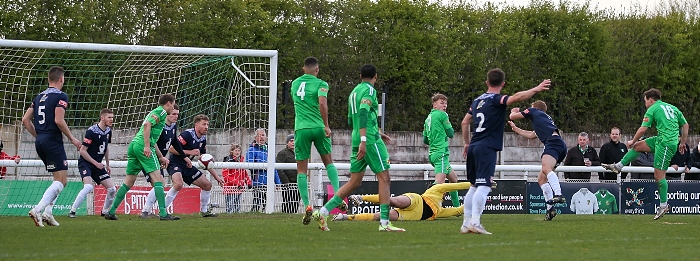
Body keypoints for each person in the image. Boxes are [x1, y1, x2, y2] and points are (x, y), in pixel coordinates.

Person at [312, 64, 405, 232]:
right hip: (368, 141)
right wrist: (366, 138)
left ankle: (323, 212)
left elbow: (351, 119)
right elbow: (363, 113)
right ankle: (385, 223)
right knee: (385, 178)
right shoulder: (369, 91)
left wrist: (371, 133)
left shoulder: (353, 92)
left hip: (357, 139)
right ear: (375, 76)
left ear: (360, 76)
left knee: (354, 182)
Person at [460, 68, 550, 234]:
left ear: (487, 82)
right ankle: (475, 222)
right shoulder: (496, 99)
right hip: (487, 147)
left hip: (473, 146)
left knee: (473, 186)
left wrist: (466, 143)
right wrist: (536, 89)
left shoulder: (477, 100)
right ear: (503, 83)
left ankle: (466, 224)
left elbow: (465, 122)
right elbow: (516, 98)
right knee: (484, 185)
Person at [603, 88, 689, 220]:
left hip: (666, 143)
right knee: (638, 147)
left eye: (645, 101)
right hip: (661, 139)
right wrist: (682, 142)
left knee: (658, 176)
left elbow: (643, 129)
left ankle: (663, 205)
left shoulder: (653, 108)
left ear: (651, 100)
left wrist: (632, 140)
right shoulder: (672, 107)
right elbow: (686, 125)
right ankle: (619, 166)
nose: (645, 104)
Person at [22, 66, 82, 227]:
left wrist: (39, 136)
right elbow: (58, 120)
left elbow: (25, 120)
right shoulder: (61, 96)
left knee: (61, 180)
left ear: (49, 79)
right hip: (53, 141)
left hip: (41, 141)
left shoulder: (39, 96)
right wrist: (73, 139)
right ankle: (38, 210)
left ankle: (48, 213)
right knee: (60, 181)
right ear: (61, 79)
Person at [104, 94, 179, 221]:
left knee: (128, 182)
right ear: (168, 103)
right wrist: (146, 146)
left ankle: (111, 212)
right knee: (159, 180)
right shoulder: (161, 112)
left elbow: (150, 136)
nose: (173, 107)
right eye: (172, 104)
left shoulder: (155, 112)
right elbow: (147, 125)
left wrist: (160, 155)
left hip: (134, 145)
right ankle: (163, 214)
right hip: (141, 146)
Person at [290, 57, 345, 224]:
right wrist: (326, 125)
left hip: (301, 128)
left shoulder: (294, 84)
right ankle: (338, 196)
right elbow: (322, 102)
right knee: (329, 163)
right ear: (317, 69)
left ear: (303, 68)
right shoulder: (321, 84)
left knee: (301, 169)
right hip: (319, 127)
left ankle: (307, 205)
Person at [508, 100, 566, 221]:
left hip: (553, 143)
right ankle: (550, 209)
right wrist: (515, 128)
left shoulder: (534, 111)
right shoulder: (544, 120)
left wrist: (513, 112)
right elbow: (531, 135)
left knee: (546, 169)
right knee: (541, 179)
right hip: (559, 145)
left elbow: (513, 116)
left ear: (535, 108)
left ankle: (559, 194)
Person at [165, 114, 224, 217]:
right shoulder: (187, 135)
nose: (206, 127)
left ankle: (204, 211)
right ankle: (163, 210)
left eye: (207, 124)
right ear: (196, 125)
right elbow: (171, 149)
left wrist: (216, 177)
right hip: (175, 163)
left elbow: (205, 160)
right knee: (178, 184)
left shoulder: (203, 139)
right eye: (203, 124)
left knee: (207, 185)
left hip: (187, 165)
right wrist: (190, 152)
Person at [140, 105, 190, 218]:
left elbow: (175, 142)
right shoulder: (160, 125)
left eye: (177, 114)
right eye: (173, 114)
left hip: (158, 159)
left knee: (158, 184)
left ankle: (146, 211)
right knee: (160, 183)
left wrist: (184, 156)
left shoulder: (173, 126)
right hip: (150, 156)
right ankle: (147, 211)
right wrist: (161, 156)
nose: (176, 116)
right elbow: (153, 142)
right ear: (167, 114)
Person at [333, 182, 473, 222]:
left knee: (381, 216)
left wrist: (478, 197)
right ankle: (361, 198)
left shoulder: (440, 211)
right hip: (417, 201)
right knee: (393, 201)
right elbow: (456, 185)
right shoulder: (436, 189)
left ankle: (344, 217)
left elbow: (459, 210)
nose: (445, 194)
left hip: (414, 217)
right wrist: (476, 184)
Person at [68, 109, 117, 218]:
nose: (111, 119)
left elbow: (106, 148)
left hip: (98, 165)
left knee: (112, 189)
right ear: (102, 118)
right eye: (109, 117)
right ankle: (72, 211)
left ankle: (105, 212)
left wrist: (107, 164)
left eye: (112, 117)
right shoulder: (92, 131)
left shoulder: (108, 131)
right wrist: (96, 163)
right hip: (86, 163)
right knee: (88, 187)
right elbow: (82, 151)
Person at [422, 93, 460, 208]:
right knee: (439, 184)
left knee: (454, 180)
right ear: (434, 105)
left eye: (446, 103)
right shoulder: (442, 115)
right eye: (442, 103)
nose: (445, 105)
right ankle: (424, 205)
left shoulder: (428, 118)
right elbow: (451, 133)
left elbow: (425, 140)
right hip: (441, 153)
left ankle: (457, 208)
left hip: (433, 154)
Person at [246, 128, 281, 212]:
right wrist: (263, 165)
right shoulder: (252, 150)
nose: (261, 137)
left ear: (266, 137)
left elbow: (274, 168)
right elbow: (249, 164)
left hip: (268, 183)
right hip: (257, 182)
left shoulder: (269, 150)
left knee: (267, 205)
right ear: (255, 137)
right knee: (256, 204)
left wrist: (277, 182)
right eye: (259, 135)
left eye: (263, 135)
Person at [222, 144, 250, 214]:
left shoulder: (241, 161)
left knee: (237, 207)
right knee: (230, 208)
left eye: (239, 150)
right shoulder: (228, 160)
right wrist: (237, 183)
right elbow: (225, 175)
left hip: (239, 188)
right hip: (230, 188)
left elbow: (244, 173)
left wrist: (248, 182)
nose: (237, 152)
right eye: (235, 150)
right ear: (232, 151)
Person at [277, 134, 300, 214]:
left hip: (298, 183)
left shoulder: (299, 152)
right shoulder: (282, 153)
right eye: (291, 141)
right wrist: (286, 182)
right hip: (288, 183)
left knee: (296, 202)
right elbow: (280, 169)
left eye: (294, 141)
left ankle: (293, 218)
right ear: (287, 143)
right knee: (288, 202)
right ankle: (285, 218)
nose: (293, 143)